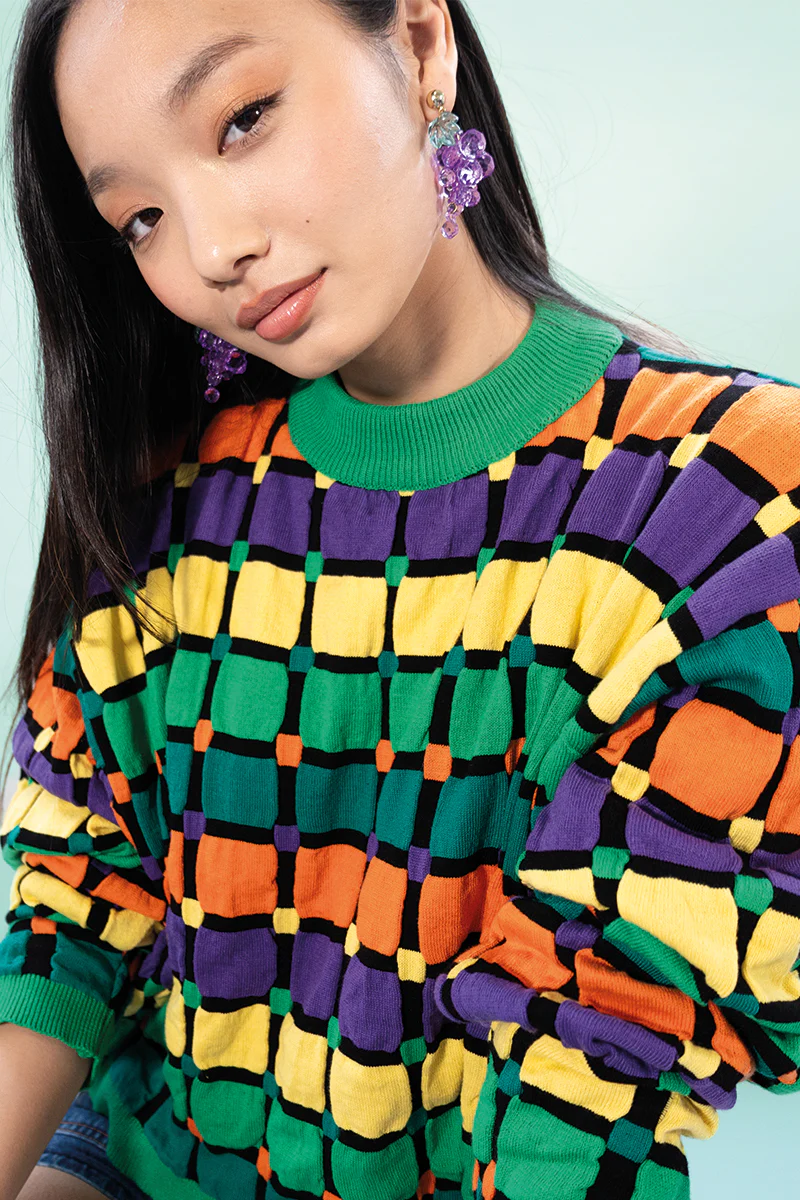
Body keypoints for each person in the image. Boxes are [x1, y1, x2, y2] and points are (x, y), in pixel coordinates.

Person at [1, 1, 799, 1198]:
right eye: (141, 219)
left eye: (241, 118)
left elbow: (594, 1056)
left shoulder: (719, 505)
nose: (211, 248)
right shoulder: (169, 489)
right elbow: (69, 912)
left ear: (421, 42)